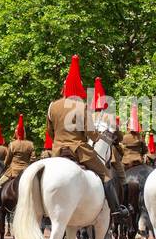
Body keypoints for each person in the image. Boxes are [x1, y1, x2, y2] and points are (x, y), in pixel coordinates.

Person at [45, 54, 122, 216]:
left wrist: (59, 140)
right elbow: (91, 134)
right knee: (106, 176)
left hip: (57, 150)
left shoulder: (52, 106)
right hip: (79, 150)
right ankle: (116, 210)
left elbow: (50, 132)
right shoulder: (81, 105)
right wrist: (97, 137)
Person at [0, 115, 35, 208]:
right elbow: (33, 159)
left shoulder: (12, 144)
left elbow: (8, 159)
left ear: (16, 134)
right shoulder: (30, 144)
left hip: (13, 171)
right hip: (26, 171)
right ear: (24, 133)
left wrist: (5, 165)